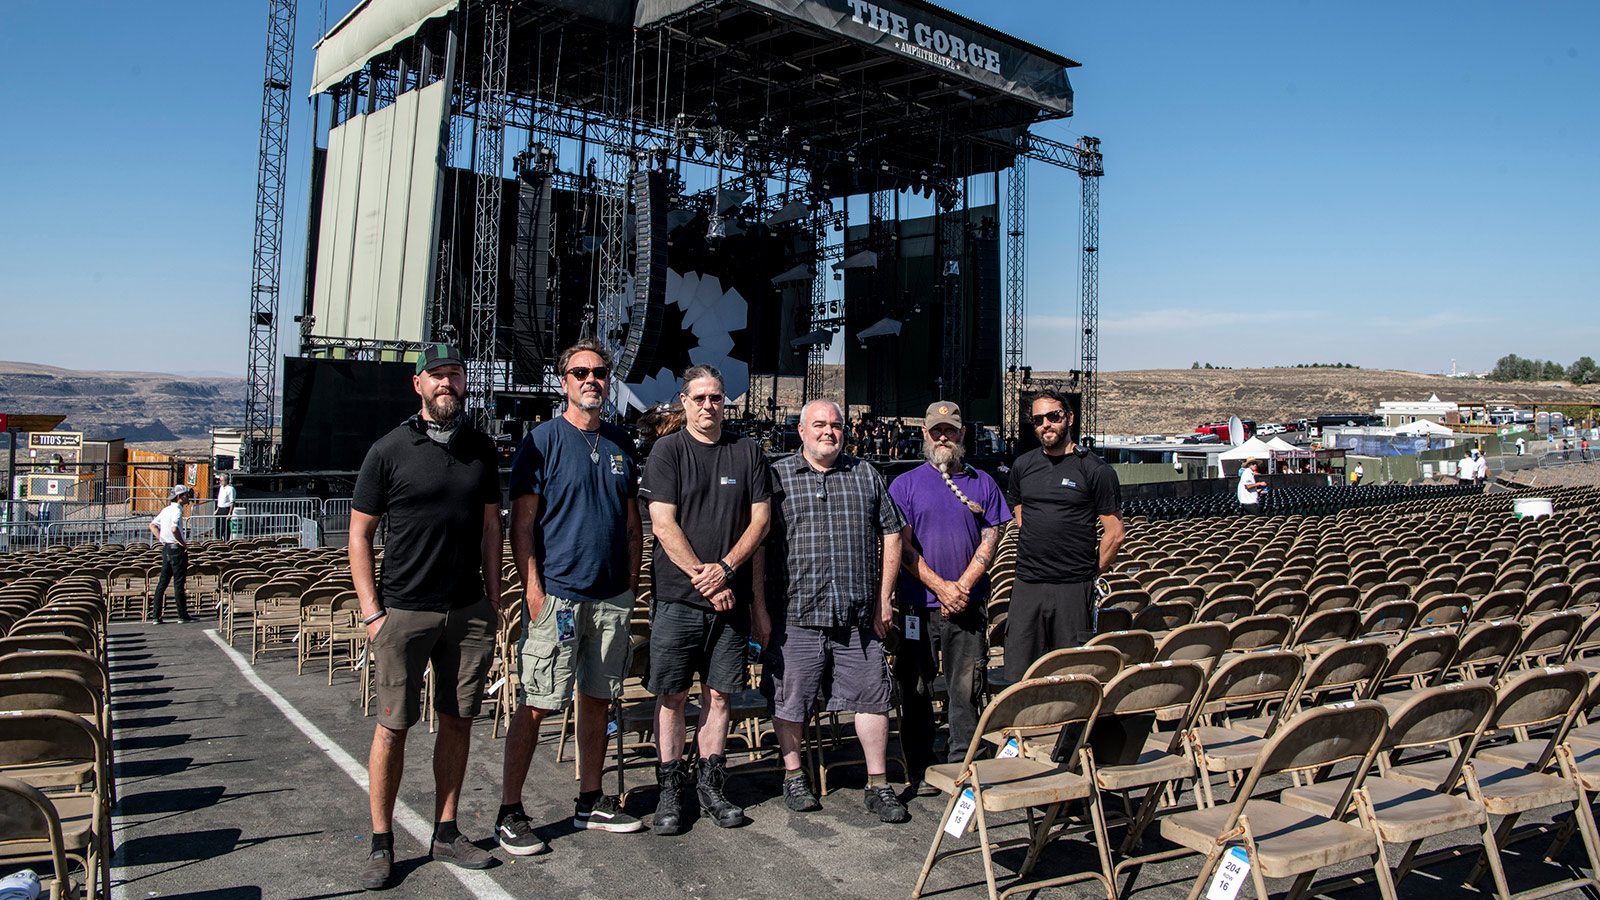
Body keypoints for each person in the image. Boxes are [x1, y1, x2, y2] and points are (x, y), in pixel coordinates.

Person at [348, 344, 503, 889]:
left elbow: (491, 529)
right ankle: (381, 843)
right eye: (437, 375)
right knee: (393, 727)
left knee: (459, 720)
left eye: (455, 374)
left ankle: (446, 830)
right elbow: (359, 535)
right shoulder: (387, 451)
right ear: (418, 385)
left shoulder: (481, 450)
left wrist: (493, 597)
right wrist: (372, 613)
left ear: (465, 383)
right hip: (404, 611)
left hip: (466, 611)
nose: (447, 383)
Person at [498, 340, 645, 856]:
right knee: (538, 702)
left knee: (597, 698)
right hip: (558, 596)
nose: (591, 380)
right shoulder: (541, 441)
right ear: (563, 381)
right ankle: (510, 811)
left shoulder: (621, 442)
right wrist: (532, 588)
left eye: (600, 372)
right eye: (580, 372)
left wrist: (630, 580)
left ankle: (590, 800)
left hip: (611, 598)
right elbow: (522, 525)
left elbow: (632, 523)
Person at [763, 398, 909, 823]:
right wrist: (760, 605)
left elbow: (893, 533)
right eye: (820, 425)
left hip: (857, 615)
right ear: (802, 431)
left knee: (872, 699)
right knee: (790, 701)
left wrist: (884, 598)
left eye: (836, 425)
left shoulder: (865, 474)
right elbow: (758, 541)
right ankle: (794, 777)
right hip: (797, 613)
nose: (829, 432)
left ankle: (878, 785)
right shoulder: (777, 477)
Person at [640, 365, 772, 834]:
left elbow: (760, 523)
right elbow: (662, 524)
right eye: (699, 398)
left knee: (719, 696)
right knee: (672, 695)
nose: (708, 406)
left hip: (729, 599)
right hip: (679, 598)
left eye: (715, 398)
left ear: (724, 402)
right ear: (683, 401)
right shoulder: (667, 451)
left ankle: (712, 786)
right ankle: (671, 791)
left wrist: (727, 571)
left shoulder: (747, 452)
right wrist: (705, 577)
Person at [890, 401, 1009, 793]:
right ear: (925, 434)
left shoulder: (983, 483)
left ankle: (962, 762)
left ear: (962, 435)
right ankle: (920, 766)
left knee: (966, 688)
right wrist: (942, 587)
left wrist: (963, 587)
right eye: (936, 430)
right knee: (917, 688)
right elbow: (902, 550)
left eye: (951, 430)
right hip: (916, 608)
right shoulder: (904, 485)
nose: (943, 436)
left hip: (968, 608)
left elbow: (993, 537)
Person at [1003, 391, 1124, 683]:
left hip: (1072, 587)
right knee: (1019, 674)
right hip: (1028, 584)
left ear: (1068, 418)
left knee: (1071, 676)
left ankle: (1069, 730)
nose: (1046, 424)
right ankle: (1023, 729)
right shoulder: (1022, 466)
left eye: (1053, 416)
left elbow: (1115, 534)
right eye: (1038, 419)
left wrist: (1091, 573)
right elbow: (1020, 511)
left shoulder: (1095, 469)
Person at [147, 484, 195, 623]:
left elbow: (152, 525)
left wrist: (162, 539)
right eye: (186, 495)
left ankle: (156, 615)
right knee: (178, 583)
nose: (188, 498)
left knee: (163, 582)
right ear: (180, 497)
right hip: (176, 549)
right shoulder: (177, 510)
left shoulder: (166, 510)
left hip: (167, 548)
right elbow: (174, 529)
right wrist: (182, 543)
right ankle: (182, 614)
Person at [215, 473, 236, 540]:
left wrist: (230, 513)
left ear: (225, 480)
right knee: (217, 527)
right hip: (220, 508)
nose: (219, 482)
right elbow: (220, 499)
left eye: (221, 480)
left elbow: (232, 502)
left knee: (224, 527)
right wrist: (217, 509)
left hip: (226, 509)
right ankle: (218, 539)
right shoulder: (221, 487)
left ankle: (226, 540)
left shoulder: (230, 489)